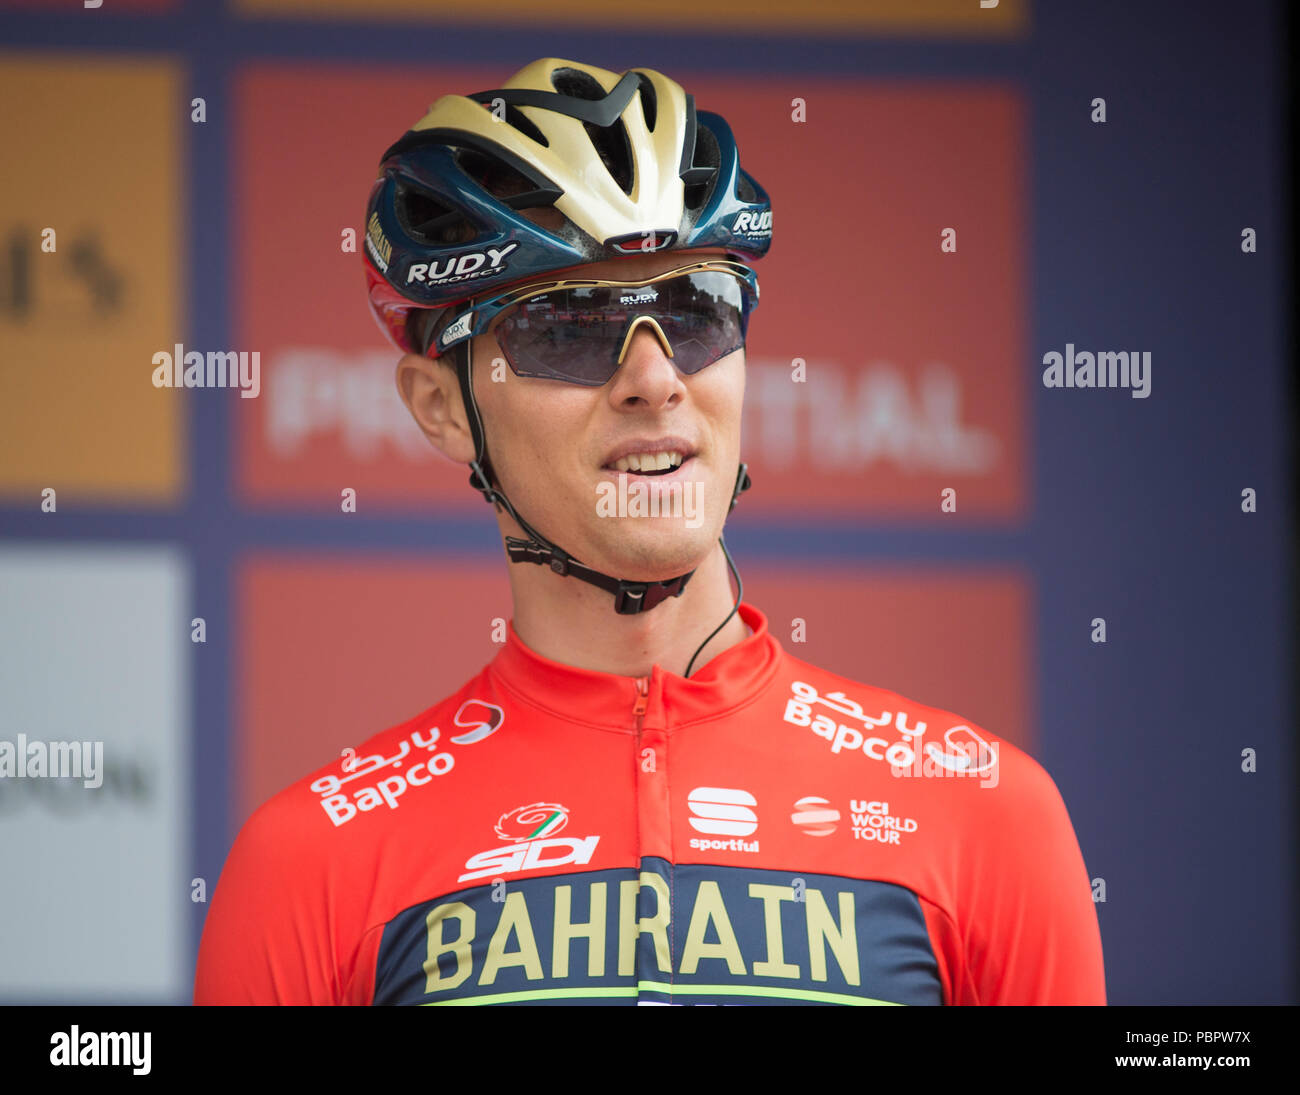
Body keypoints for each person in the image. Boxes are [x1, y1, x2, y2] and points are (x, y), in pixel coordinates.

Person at [194, 58, 1106, 1006]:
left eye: (695, 311)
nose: (654, 378)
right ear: (444, 406)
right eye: (571, 326)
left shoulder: (988, 815)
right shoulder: (311, 862)